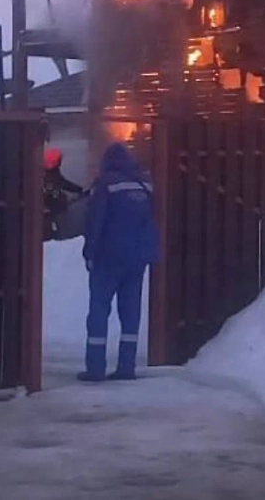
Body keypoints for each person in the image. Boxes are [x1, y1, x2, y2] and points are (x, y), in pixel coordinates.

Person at [78, 142, 160, 383]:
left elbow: (95, 221)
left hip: (109, 256)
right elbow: (149, 218)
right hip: (137, 258)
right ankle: (127, 366)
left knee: (99, 310)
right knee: (131, 311)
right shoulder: (145, 183)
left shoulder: (106, 184)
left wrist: (89, 252)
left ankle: (95, 368)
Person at [43, 148, 84, 241]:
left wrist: (78, 189)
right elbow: (62, 185)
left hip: (55, 208)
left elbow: (64, 183)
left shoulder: (52, 173)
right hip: (53, 209)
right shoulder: (50, 176)